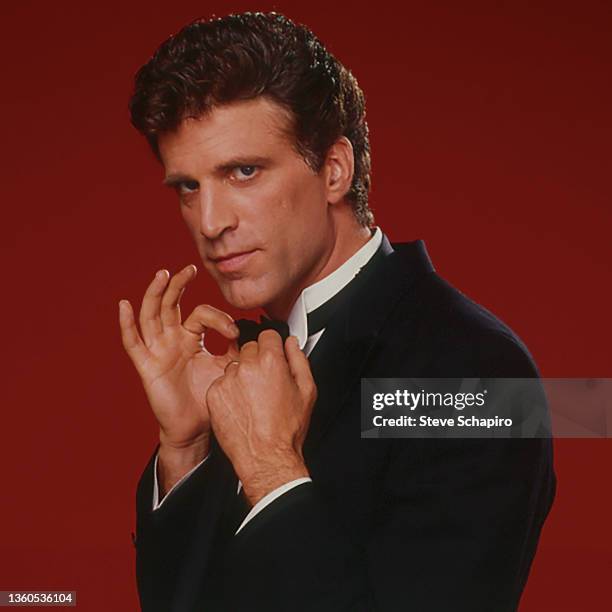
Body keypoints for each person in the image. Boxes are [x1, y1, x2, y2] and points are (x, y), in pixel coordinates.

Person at [119, 12, 555, 612]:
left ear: (334, 170)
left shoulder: (481, 375)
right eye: (188, 187)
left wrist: (273, 471)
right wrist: (187, 448)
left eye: (243, 171)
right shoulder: (241, 368)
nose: (211, 222)